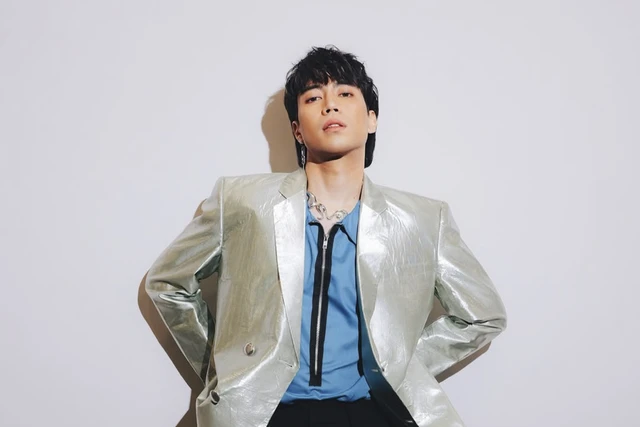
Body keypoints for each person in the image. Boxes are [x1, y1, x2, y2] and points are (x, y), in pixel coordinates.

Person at [145, 45, 507, 427]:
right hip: (266, 416)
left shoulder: (422, 220)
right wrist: (226, 368)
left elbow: (483, 315)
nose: (330, 105)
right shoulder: (241, 201)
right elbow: (168, 282)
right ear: (296, 129)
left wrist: (401, 366)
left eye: (345, 94)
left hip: (373, 414)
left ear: (372, 119)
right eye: (313, 97)